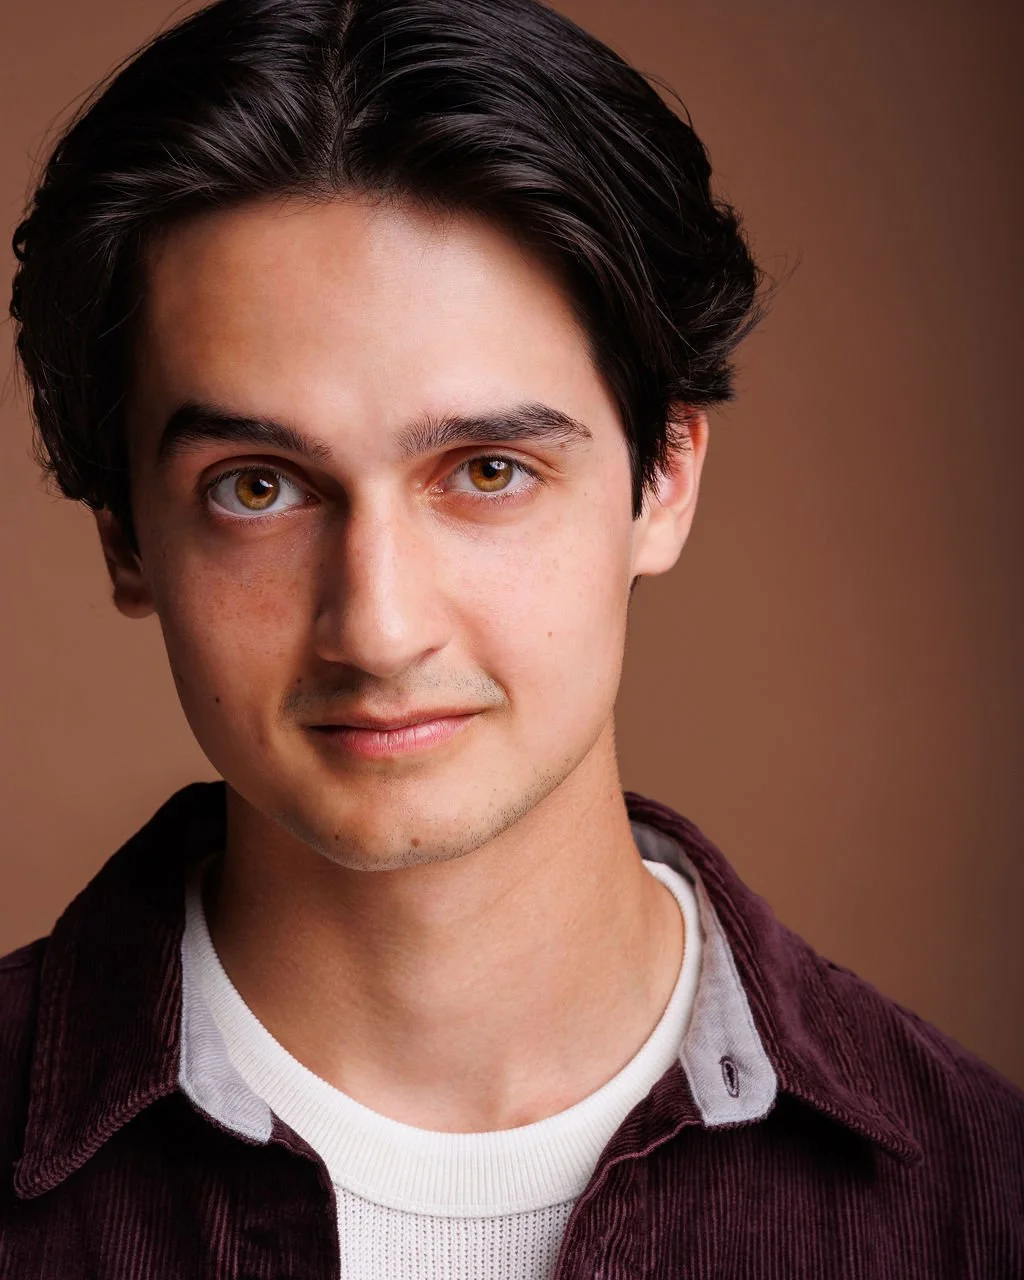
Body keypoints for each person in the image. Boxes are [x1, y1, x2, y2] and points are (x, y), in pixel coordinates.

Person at [2, 0, 1021, 1275]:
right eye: (256, 485)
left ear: (662, 480)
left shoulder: (983, 1202)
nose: (376, 625)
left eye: (487, 470)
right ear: (123, 538)